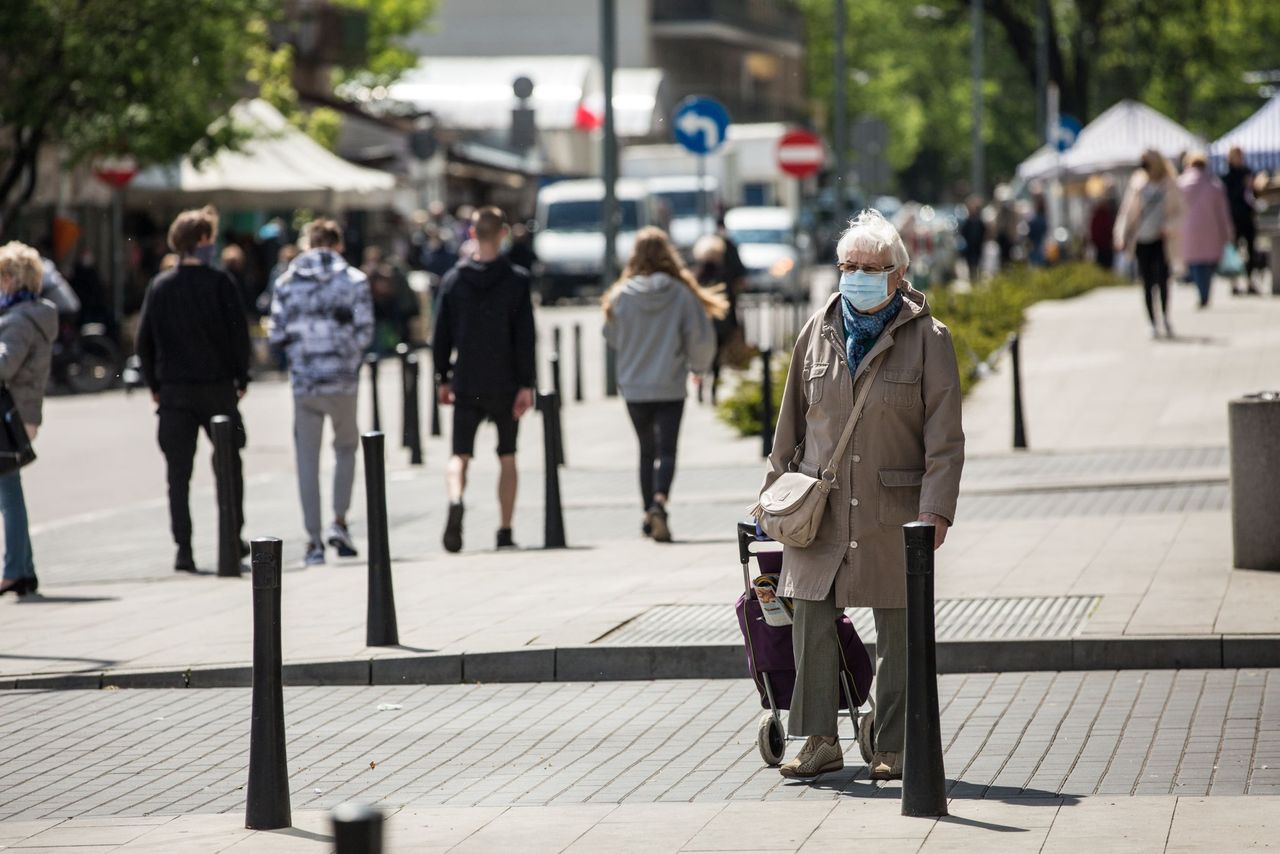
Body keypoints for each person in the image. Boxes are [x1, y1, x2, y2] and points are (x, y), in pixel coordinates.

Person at [762, 209, 964, 781]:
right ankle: (820, 739)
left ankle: (894, 743)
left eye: (870, 267)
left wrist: (935, 511)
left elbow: (944, 440)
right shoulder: (816, 330)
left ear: (898, 274)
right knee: (812, 620)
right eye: (848, 265)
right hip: (821, 509)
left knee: (897, 630)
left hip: (893, 511)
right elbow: (789, 429)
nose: (857, 276)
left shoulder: (929, 339)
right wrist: (775, 496)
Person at [136, 208, 251, 572]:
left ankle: (183, 549)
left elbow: (144, 342)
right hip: (217, 389)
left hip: (174, 393)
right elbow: (239, 336)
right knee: (229, 466)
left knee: (178, 475)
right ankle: (231, 538)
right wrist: (241, 377)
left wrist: (155, 384)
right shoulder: (220, 283)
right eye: (210, 238)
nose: (213, 245)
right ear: (201, 241)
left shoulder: (160, 285)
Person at [604, 227, 722, 542]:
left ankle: (647, 512)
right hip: (670, 383)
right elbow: (700, 337)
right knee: (667, 450)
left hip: (634, 386)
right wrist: (698, 367)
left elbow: (611, 335)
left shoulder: (621, 295)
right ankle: (660, 501)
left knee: (646, 450)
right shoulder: (681, 293)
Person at [269, 219, 373, 566]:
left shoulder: (286, 282)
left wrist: (302, 352)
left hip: (306, 383)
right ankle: (339, 522)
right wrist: (345, 353)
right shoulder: (355, 281)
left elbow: (276, 333)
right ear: (339, 245)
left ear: (307, 244)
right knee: (345, 449)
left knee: (307, 461)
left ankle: (313, 541)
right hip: (343, 380)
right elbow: (365, 331)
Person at [433, 206, 536, 553]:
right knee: (507, 455)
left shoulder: (454, 280)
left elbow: (440, 335)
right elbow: (526, 337)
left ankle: (456, 497)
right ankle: (505, 530)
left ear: (473, 234)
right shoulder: (517, 279)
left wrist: (442, 377)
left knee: (459, 454)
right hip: (505, 381)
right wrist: (527, 384)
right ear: (503, 233)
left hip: (467, 381)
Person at [0, 243, 57, 596]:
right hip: (22, 413)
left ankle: (15, 570)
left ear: (13, 278)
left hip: (10, 415)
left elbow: (4, 365)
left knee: (9, 494)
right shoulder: (33, 314)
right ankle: (24, 569)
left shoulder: (20, 319)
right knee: (10, 491)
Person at [1115, 149, 1185, 338]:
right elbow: (1126, 212)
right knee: (1146, 282)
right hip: (1141, 239)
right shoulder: (1138, 183)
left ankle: (1165, 318)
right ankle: (1153, 322)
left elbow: (1181, 212)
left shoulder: (1170, 183)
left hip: (1162, 238)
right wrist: (1121, 236)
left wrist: (1169, 226)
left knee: (1163, 279)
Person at [1177, 152, 1234, 309]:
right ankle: (1205, 293)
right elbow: (1223, 212)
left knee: (1195, 263)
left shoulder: (1181, 184)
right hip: (1211, 229)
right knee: (1208, 263)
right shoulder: (1215, 185)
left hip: (1188, 229)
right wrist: (1228, 232)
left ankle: (1201, 293)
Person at [1223, 146, 1262, 295]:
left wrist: (1254, 186)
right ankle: (1234, 282)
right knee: (1234, 250)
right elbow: (1229, 197)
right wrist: (1243, 186)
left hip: (1248, 216)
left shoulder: (1248, 172)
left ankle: (1250, 281)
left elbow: (1254, 195)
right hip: (1233, 217)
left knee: (1251, 250)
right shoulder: (1227, 175)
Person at [959, 195, 986, 281]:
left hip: (979, 248)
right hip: (970, 249)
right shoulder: (967, 222)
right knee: (971, 268)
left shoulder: (981, 221)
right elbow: (962, 234)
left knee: (980, 266)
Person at [1088, 195, 1117, 271]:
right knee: (1107, 265)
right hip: (1105, 245)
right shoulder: (1104, 215)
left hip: (1100, 245)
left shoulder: (1097, 216)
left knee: (1101, 265)